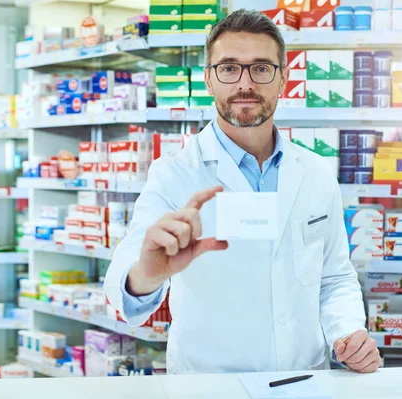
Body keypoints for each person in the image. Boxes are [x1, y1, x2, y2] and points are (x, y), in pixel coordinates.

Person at [104, 9, 380, 375]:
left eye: (261, 68)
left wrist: (347, 333)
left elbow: (335, 276)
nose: (245, 83)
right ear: (208, 79)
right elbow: (125, 276)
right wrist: (146, 274)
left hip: (304, 379)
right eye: (229, 68)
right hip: (210, 384)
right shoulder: (174, 173)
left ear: (283, 79)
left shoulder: (315, 171)